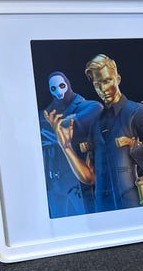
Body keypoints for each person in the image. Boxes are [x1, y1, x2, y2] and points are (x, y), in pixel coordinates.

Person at [45, 55, 143, 212]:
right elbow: (89, 177)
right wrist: (66, 146)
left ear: (118, 79)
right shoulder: (96, 123)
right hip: (102, 210)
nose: (103, 89)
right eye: (97, 84)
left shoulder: (140, 114)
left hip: (134, 208)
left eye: (107, 81)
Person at [39, 71, 102, 217]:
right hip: (54, 180)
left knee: (87, 218)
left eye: (61, 86)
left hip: (75, 178)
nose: (59, 91)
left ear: (67, 84)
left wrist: (70, 122)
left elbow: (97, 108)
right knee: (57, 220)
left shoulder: (82, 105)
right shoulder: (50, 111)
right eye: (54, 88)